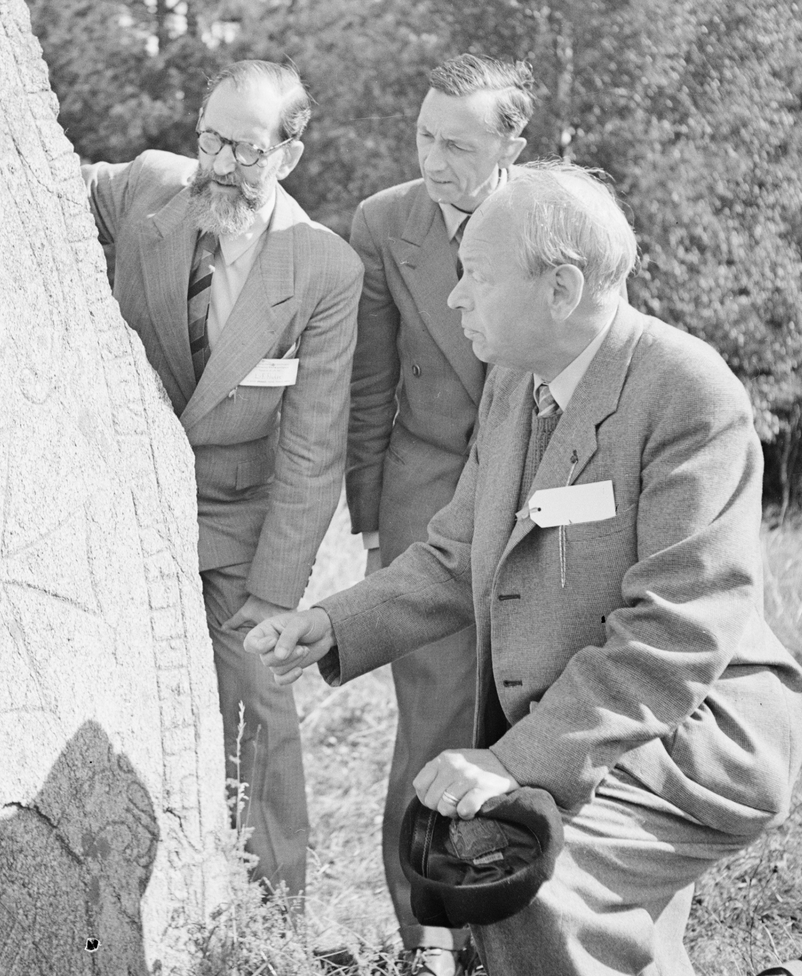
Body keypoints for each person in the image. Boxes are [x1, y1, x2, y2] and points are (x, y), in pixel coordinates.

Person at [247, 162, 802, 975]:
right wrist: (333, 624)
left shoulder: (688, 392)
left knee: (514, 877)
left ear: (561, 288)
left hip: (693, 736)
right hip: (587, 727)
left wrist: (511, 763)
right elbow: (456, 555)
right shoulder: (514, 382)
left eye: (477, 275)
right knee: (498, 870)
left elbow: (677, 631)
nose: (454, 298)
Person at [82, 60, 363, 905]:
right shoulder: (148, 185)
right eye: (210, 139)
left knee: (258, 708)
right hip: (117, 503)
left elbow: (313, 449)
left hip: (236, 519)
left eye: (246, 150)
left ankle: (273, 921)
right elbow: (34, 180)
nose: (219, 166)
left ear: (290, 154)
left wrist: (274, 598)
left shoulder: (324, 269)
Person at [346, 54, 533, 976]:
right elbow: (369, 386)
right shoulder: (384, 223)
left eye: (458, 145)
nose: (433, 159)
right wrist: (376, 530)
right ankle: (428, 938)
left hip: (538, 504)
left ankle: (522, 925)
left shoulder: (554, 218)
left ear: (512, 147)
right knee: (434, 728)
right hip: (426, 509)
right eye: (425, 136)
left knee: (527, 717)